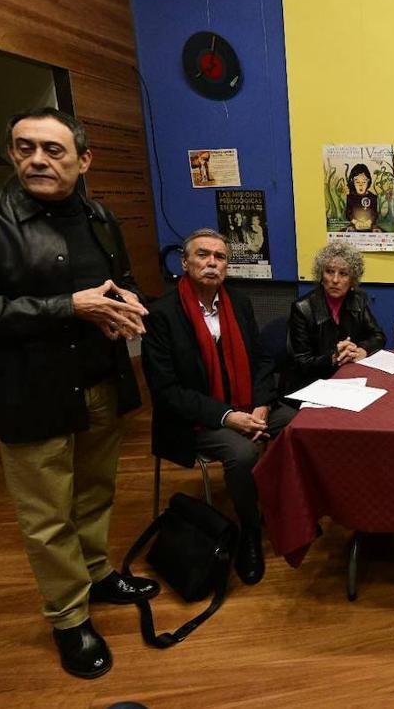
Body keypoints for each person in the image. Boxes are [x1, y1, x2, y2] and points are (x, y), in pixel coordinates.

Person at [0, 108, 158, 680]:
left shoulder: (101, 216)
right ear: (12, 153)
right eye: (25, 147)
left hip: (101, 379)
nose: (37, 159)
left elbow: (117, 283)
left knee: (96, 493)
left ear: (83, 161)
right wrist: (69, 307)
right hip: (29, 392)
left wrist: (123, 308)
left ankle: (99, 573)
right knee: (47, 514)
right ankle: (69, 619)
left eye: (54, 151)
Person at [141, 228, 295, 587]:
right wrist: (228, 417)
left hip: (246, 405)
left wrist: (260, 406)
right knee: (241, 454)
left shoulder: (238, 303)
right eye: (203, 255)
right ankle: (251, 531)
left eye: (220, 257)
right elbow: (166, 391)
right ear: (185, 262)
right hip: (195, 421)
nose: (212, 263)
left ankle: (284, 508)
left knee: (298, 422)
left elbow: (260, 360)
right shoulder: (161, 314)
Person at [286, 241, 387, 394]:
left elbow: (378, 336)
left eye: (343, 274)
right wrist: (334, 357)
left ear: (352, 279)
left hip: (349, 379)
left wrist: (361, 350)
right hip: (312, 384)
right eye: (329, 271)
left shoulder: (357, 300)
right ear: (321, 275)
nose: (335, 280)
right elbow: (302, 362)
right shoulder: (302, 308)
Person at [344, 164, 379, 232]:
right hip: (354, 225)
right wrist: (355, 222)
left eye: (363, 182)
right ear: (353, 182)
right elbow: (348, 213)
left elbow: (375, 213)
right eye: (357, 182)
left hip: (370, 226)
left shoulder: (373, 197)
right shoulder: (350, 197)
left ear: (368, 181)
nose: (361, 185)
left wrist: (369, 222)